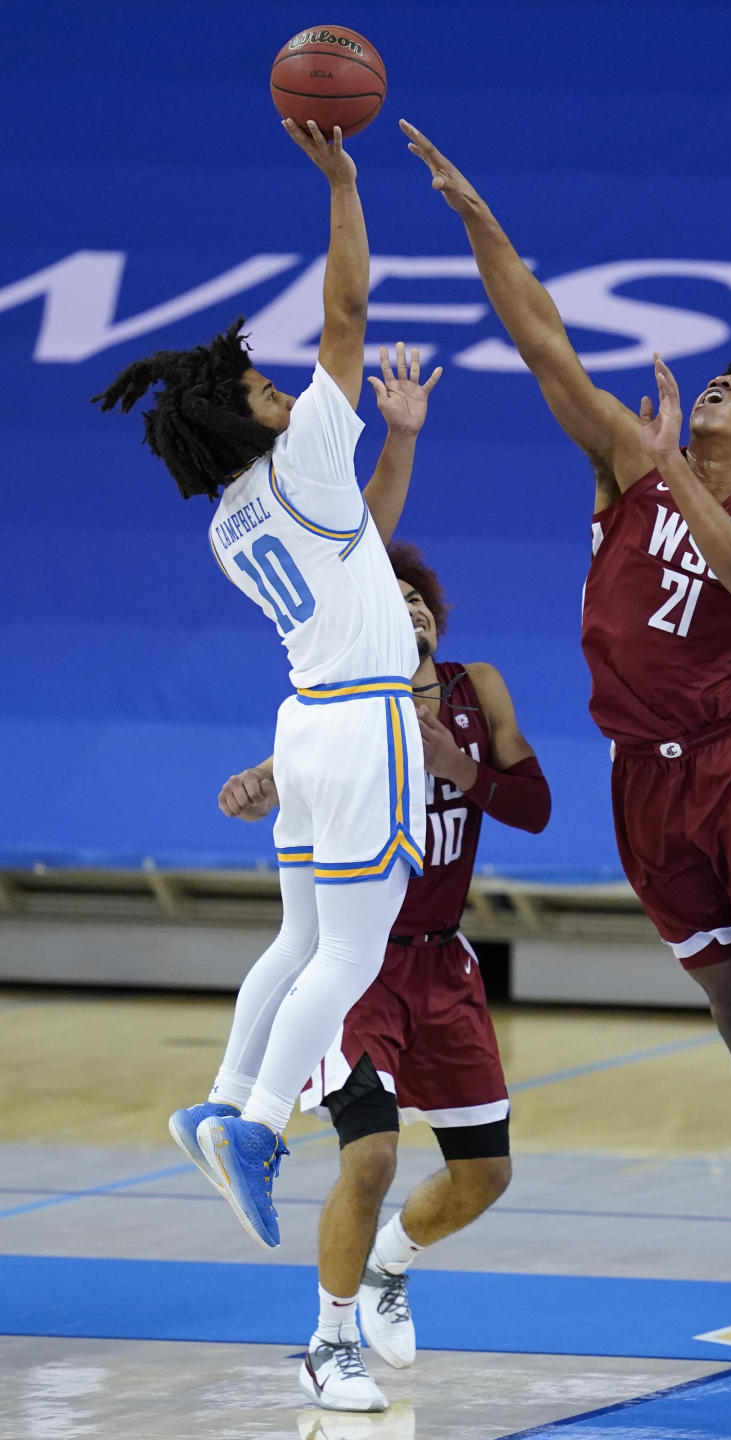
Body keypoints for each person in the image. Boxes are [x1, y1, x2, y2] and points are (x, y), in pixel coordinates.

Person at [398, 120, 731, 1376]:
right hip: (641, 777)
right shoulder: (629, 464)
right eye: (711, 384)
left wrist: (676, 466)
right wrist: (475, 216)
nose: (718, 389)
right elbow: (541, 339)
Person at [94, 120, 442, 1251]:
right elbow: (347, 316)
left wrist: (397, 447)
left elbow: (359, 550)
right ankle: (253, 1126)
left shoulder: (235, 519)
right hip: (362, 730)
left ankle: (226, 1090)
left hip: (304, 729)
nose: (282, 387)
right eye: (260, 384)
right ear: (238, 419)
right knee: (349, 953)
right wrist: (343, 184)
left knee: (298, 941)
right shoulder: (296, 461)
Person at [218, 542, 551, 1412]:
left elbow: (538, 807)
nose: (408, 609)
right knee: (368, 1158)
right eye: (388, 598)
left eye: (417, 598)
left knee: (487, 1177)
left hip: (445, 960)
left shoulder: (480, 688)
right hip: (359, 963)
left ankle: (388, 1266)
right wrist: (263, 785)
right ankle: (328, 1345)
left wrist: (461, 770)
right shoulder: (349, 704)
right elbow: (291, 778)